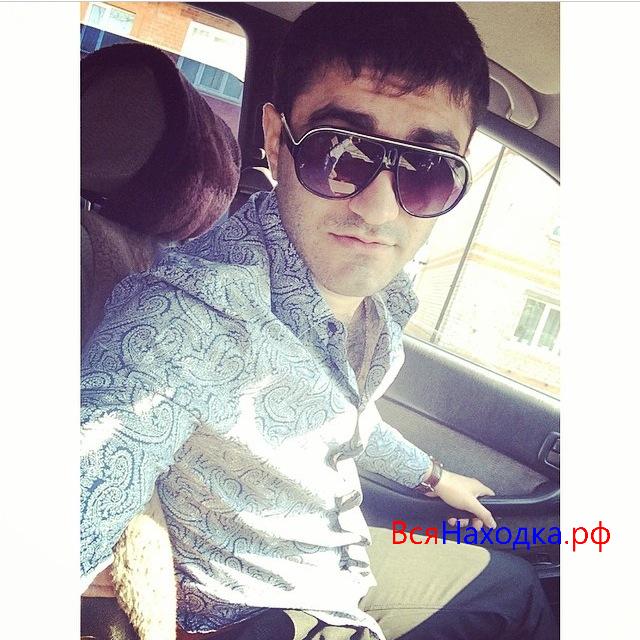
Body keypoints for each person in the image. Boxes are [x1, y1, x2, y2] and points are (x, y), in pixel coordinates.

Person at [81, 3, 558, 639]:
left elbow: (342, 418)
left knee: (516, 586)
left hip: (338, 557)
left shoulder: (381, 299)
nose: (379, 210)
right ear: (277, 141)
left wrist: (434, 476)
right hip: (261, 608)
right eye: (341, 152)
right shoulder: (182, 320)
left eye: (427, 170)